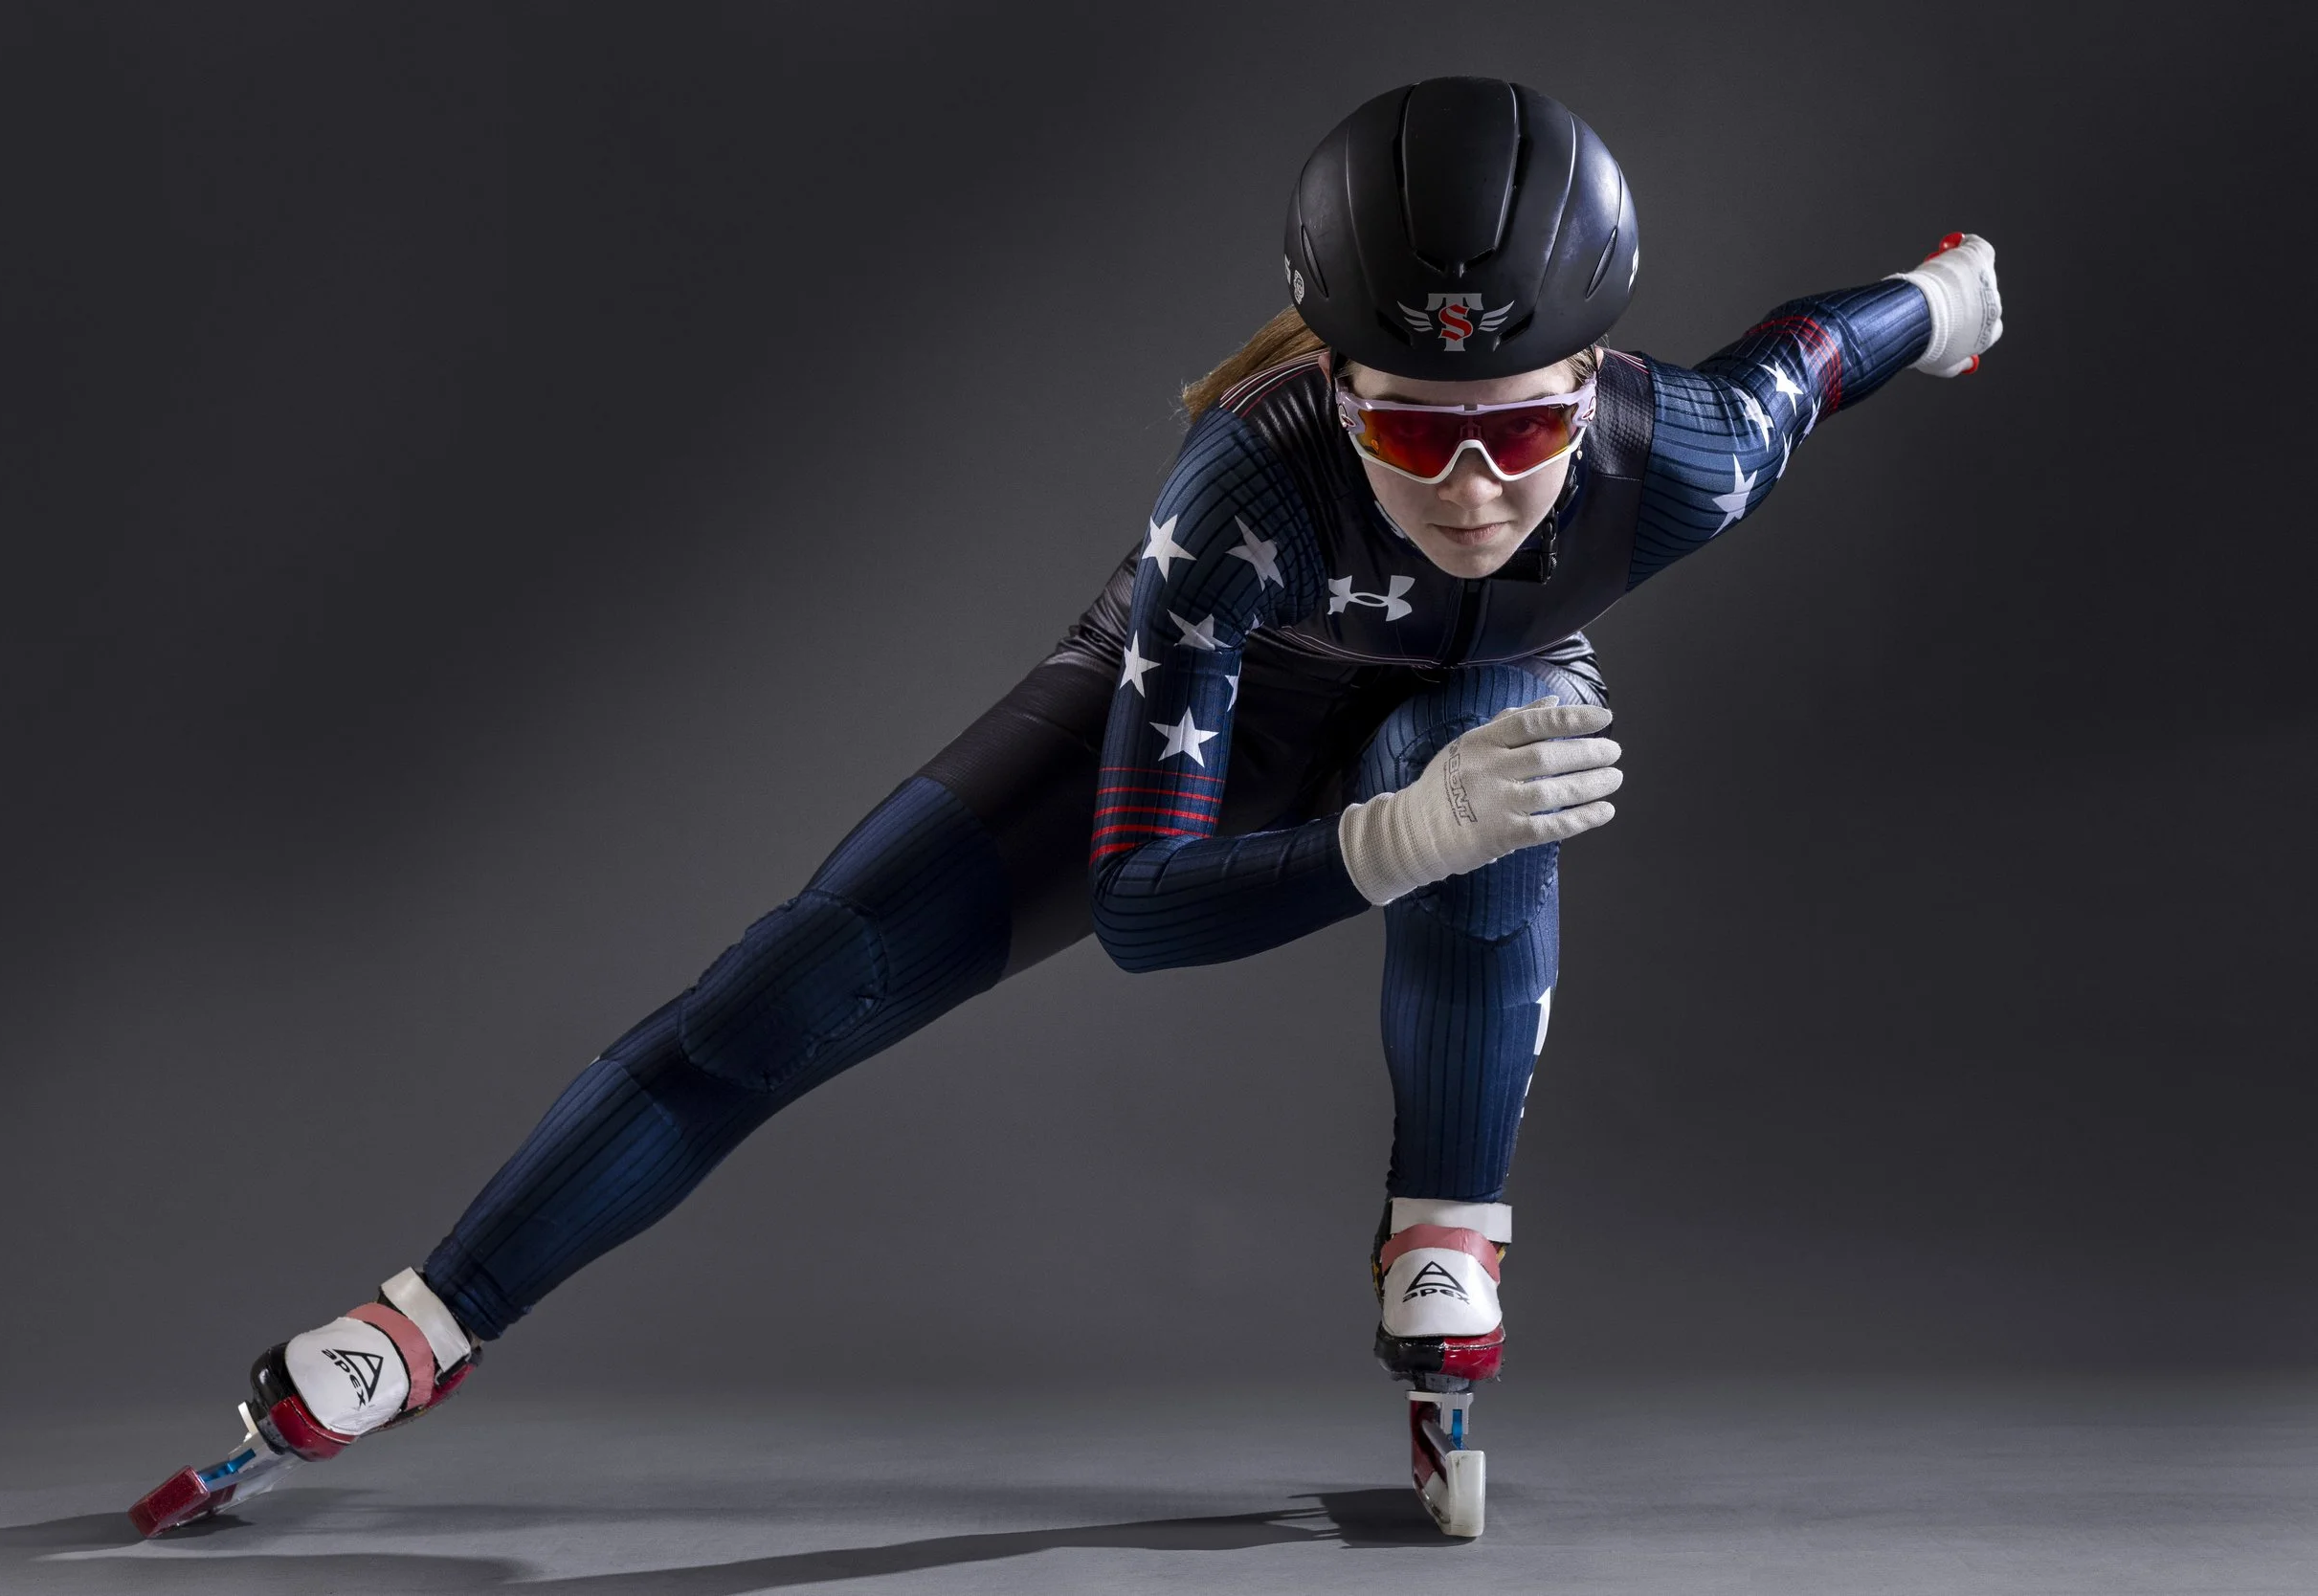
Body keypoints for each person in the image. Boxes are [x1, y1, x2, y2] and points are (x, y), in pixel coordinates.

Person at [129, 76, 2003, 1539]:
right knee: (784, 992)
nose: (1472, 487)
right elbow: (1141, 912)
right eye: (1408, 429)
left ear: (1591, 381)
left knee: (1494, 747)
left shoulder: (1680, 453)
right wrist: (1395, 842)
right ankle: (423, 1321)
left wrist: (1944, 295)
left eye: (1518, 428)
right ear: (1331, 381)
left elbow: (1813, 358)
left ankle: (1446, 1215)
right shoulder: (1246, 484)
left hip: (1457, 722)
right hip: (1193, 734)